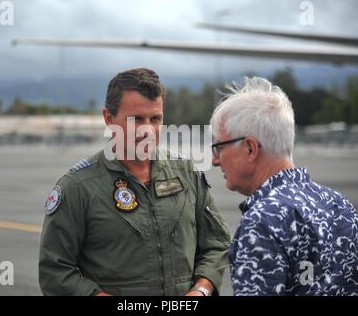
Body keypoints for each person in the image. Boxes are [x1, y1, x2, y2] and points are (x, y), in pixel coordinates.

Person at [39, 68, 230, 296]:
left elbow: (217, 242)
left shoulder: (186, 173)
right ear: (109, 118)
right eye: (136, 119)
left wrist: (201, 289)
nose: (147, 130)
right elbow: (55, 269)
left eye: (155, 119)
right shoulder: (78, 186)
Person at [210, 76, 358, 296]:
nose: (214, 160)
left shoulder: (263, 222)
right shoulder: (341, 206)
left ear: (250, 149)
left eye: (219, 147)